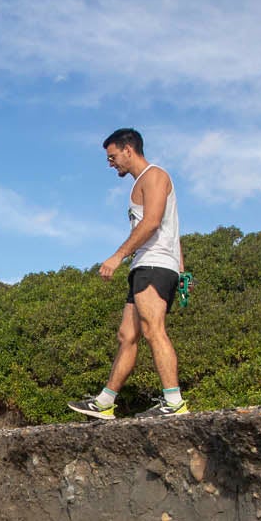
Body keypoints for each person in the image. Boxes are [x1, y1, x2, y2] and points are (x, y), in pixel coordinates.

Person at [68, 127, 187, 419]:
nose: (111, 163)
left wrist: (118, 255)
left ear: (128, 149)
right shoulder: (141, 183)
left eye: (112, 157)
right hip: (147, 265)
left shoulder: (155, 176)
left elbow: (154, 222)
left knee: (152, 329)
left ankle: (174, 401)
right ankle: (106, 401)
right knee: (127, 334)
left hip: (155, 264)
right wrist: (183, 272)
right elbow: (174, 231)